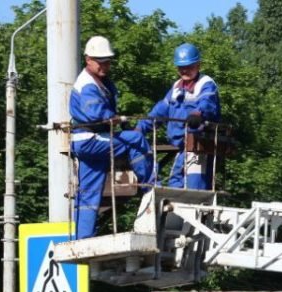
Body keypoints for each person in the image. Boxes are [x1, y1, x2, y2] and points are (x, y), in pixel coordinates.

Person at [69, 36, 154, 239]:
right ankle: (151, 188)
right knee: (136, 140)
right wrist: (114, 119)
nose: (104, 65)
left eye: (107, 61)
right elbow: (95, 113)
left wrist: (121, 123)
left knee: (89, 193)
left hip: (88, 142)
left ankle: (83, 239)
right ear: (88, 59)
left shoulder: (101, 82)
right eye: (100, 61)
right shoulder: (88, 84)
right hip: (91, 139)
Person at [139, 43, 222, 190]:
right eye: (181, 67)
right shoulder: (177, 88)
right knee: (175, 183)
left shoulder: (205, 84)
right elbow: (160, 110)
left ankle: (198, 212)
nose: (185, 70)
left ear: (198, 65)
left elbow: (207, 103)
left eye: (189, 66)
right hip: (181, 147)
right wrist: (140, 128)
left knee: (195, 188)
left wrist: (198, 114)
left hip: (198, 147)